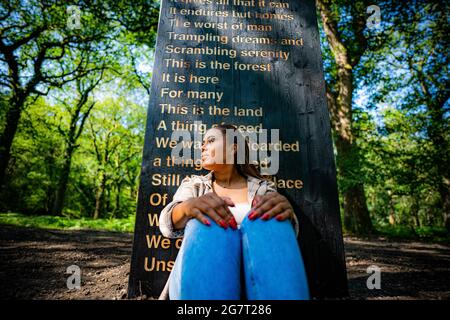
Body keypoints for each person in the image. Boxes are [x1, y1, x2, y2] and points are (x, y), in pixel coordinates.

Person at [158, 124, 310, 300]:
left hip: (258, 277)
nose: (202, 146)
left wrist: (285, 213)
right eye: (203, 142)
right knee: (209, 222)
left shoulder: (263, 187)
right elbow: (166, 225)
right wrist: (187, 207)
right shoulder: (194, 185)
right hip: (201, 275)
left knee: (268, 219)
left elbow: (283, 232)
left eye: (211, 140)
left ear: (233, 147)